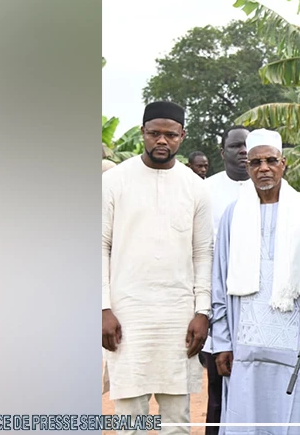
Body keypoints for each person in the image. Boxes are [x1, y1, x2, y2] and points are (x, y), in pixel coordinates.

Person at [101, 101, 213, 435]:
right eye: (154, 133)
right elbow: (98, 248)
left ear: (182, 135)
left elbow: (203, 253)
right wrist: (103, 308)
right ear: (142, 133)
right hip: (126, 316)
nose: (161, 141)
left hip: (179, 317)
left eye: (170, 134)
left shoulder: (196, 187)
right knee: (130, 418)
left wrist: (202, 312)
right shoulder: (114, 181)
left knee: (176, 419)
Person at [208, 129, 300, 433]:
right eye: (256, 162)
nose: (264, 168)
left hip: (295, 345)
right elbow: (220, 282)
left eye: (270, 160)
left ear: (283, 163)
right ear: (247, 167)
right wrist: (222, 341)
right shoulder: (233, 215)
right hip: (245, 344)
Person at [201, 125, 251, 434]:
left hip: (257, 306)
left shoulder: (271, 188)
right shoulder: (205, 191)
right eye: (236, 146)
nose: (243, 151)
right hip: (218, 303)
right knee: (217, 395)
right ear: (223, 153)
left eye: (248, 145)